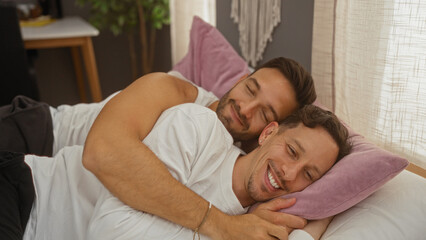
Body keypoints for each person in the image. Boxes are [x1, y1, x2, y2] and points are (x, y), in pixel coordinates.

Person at [0, 57, 317, 237]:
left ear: (270, 131)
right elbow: (101, 153)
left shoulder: (242, 164)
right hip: (39, 132)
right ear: (242, 78)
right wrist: (221, 224)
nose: (245, 109)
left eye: (264, 113)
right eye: (250, 89)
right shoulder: (177, 96)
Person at [0, 104, 351, 240]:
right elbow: (108, 231)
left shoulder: (252, 224)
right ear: (268, 132)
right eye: (292, 151)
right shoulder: (199, 129)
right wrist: (220, 228)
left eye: (308, 175)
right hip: (24, 194)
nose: (290, 174)